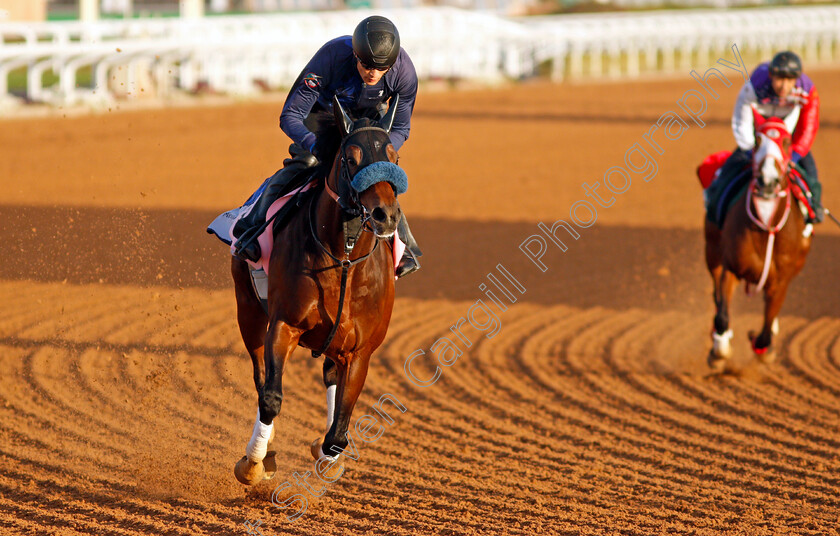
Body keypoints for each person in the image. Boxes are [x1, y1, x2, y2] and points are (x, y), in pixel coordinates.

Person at [232, 15, 422, 277]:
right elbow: (290, 116)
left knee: (380, 173)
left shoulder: (405, 72)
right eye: (366, 65)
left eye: (382, 69)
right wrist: (315, 145)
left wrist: (381, 155)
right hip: (322, 116)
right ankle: (250, 230)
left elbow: (401, 129)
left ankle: (404, 246)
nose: (373, 74)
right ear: (355, 54)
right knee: (305, 164)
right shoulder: (331, 57)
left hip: (366, 122)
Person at [711, 50, 823, 224]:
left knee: (810, 173)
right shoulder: (754, 87)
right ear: (771, 75)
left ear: (796, 79)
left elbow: (808, 127)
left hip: (787, 138)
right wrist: (749, 150)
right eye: (779, 79)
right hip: (759, 138)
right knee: (730, 170)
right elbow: (742, 121)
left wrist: (794, 155)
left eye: (789, 80)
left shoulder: (807, 90)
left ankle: (814, 209)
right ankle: (716, 209)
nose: (783, 86)